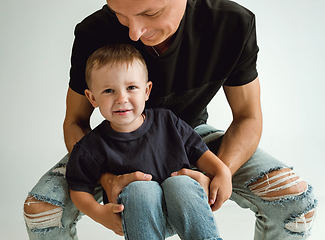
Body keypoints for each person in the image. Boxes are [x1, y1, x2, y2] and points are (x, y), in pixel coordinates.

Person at [24, 0, 317, 239]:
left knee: (295, 202)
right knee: (41, 211)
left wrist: (220, 173)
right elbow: (75, 121)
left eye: (150, 13)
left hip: (193, 137)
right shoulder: (93, 32)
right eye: (121, 16)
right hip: (114, 147)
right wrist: (106, 178)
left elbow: (248, 116)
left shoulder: (232, 24)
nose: (134, 33)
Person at [65, 43, 230, 239]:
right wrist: (100, 214)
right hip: (139, 218)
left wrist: (222, 171)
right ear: (92, 98)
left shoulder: (167, 121)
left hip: (183, 207)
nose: (122, 98)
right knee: (140, 189)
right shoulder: (92, 145)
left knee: (180, 184)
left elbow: (199, 152)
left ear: (146, 90)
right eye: (109, 91)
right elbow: (78, 188)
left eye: (131, 87)